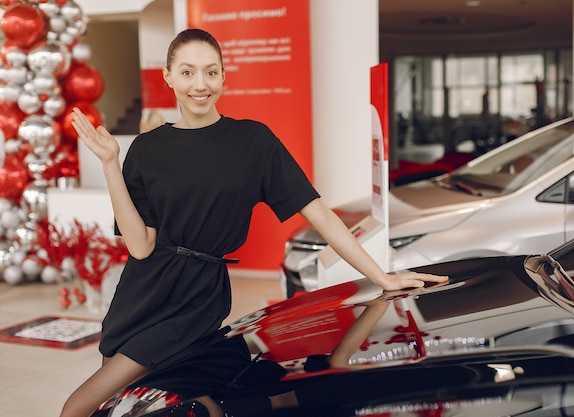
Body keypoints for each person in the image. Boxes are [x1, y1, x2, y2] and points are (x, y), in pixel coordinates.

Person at [60, 28, 448, 417]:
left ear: (225, 77)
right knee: (127, 409)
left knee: (77, 408)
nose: (200, 84)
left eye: (211, 73)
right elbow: (140, 246)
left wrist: (383, 277)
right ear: (168, 77)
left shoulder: (253, 140)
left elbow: (318, 213)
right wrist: (110, 162)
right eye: (188, 72)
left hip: (195, 301)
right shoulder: (145, 149)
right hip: (142, 295)